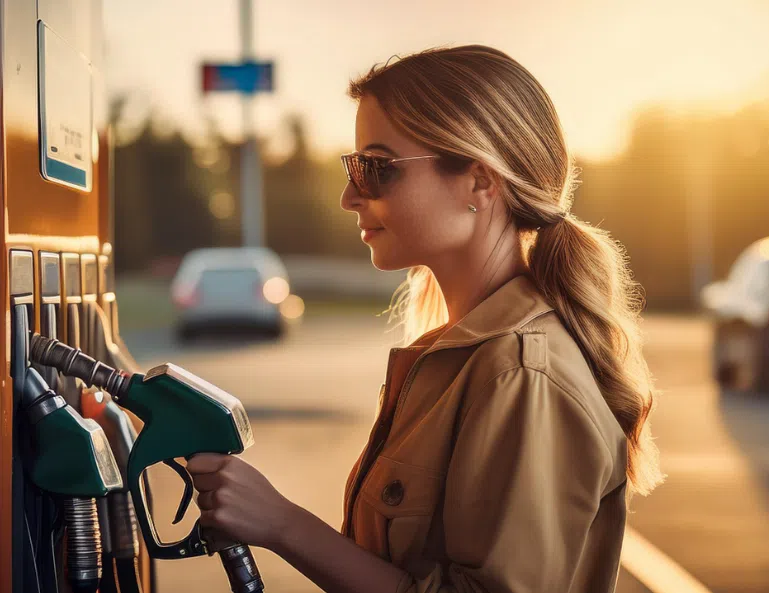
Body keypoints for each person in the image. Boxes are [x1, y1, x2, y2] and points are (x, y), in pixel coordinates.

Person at [186, 44, 663, 593]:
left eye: (376, 169)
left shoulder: (521, 374)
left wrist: (282, 524)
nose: (349, 196)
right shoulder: (466, 354)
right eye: (353, 166)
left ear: (480, 181)